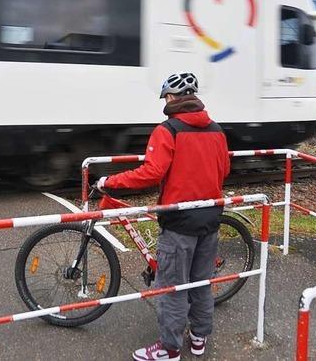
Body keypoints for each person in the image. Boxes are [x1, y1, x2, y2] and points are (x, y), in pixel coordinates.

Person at [96, 72, 230, 361]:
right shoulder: (217, 130)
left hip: (179, 223)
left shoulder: (167, 130)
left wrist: (110, 182)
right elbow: (225, 170)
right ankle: (198, 340)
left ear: (171, 98)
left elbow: (152, 172)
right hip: (210, 219)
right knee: (201, 283)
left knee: (172, 288)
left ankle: (169, 349)